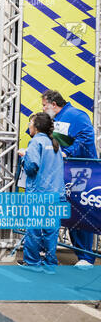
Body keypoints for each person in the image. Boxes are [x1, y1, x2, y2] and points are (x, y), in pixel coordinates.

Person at [42, 89, 98, 268]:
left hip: (82, 171)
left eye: (44, 105)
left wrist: (68, 152)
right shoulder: (54, 119)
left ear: (53, 104)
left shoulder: (77, 115)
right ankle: (78, 254)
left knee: (81, 210)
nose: (43, 109)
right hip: (64, 171)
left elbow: (86, 138)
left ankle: (87, 257)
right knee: (69, 210)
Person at [17, 113, 64, 273]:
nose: (29, 126)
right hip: (56, 192)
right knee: (51, 230)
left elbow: (32, 167)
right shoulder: (55, 142)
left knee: (35, 229)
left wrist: (24, 157)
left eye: (30, 123)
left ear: (36, 127)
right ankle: (50, 264)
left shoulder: (35, 141)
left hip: (39, 192)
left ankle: (32, 262)